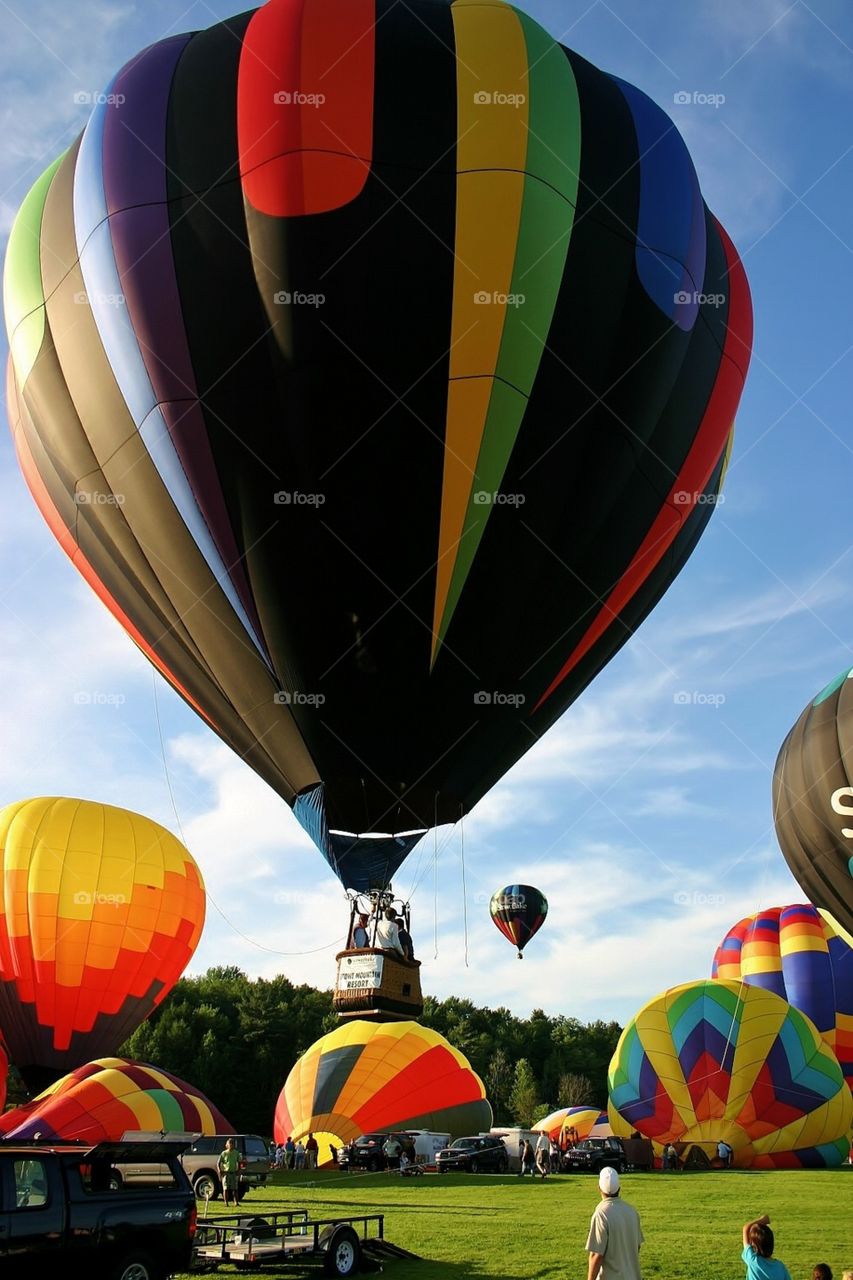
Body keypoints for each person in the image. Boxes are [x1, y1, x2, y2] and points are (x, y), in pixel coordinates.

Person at [586, 1167, 644, 1280]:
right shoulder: (632, 1212)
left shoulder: (601, 1214)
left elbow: (596, 1255)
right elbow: (637, 1247)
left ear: (599, 1189)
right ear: (619, 1188)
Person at [741, 1214, 792, 1280]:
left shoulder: (753, 1260)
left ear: (754, 1246)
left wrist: (762, 1220)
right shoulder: (780, 1267)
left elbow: (746, 1228)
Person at [218, 1138, 241, 1208]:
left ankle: (236, 1202)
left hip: (233, 1173)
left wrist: (238, 1170)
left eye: (232, 1143)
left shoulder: (236, 1153)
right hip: (226, 1173)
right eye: (229, 1143)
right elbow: (218, 1163)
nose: (231, 1145)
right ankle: (226, 1202)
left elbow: (239, 1162)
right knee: (225, 1188)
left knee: (235, 1189)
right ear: (226, 1145)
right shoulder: (224, 1153)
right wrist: (220, 1171)